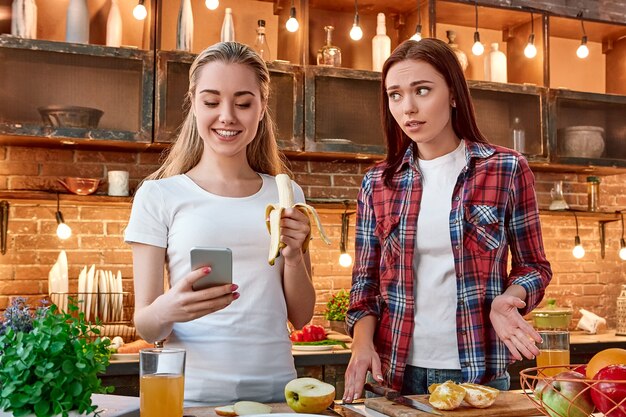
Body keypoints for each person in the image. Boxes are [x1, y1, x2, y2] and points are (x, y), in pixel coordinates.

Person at [342, 38, 552, 401]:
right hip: (394, 373)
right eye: (395, 95)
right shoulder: (378, 182)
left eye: (422, 90)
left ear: (453, 94)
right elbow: (365, 285)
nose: (408, 108)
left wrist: (509, 298)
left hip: (478, 371)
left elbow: (534, 266)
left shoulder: (505, 169)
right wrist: (361, 343)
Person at [124, 41, 315, 405]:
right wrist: (171, 307)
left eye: (243, 103)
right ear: (194, 104)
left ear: (261, 109)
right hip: (192, 398)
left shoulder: (287, 193)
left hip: (276, 397)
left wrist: (293, 256)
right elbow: (147, 325)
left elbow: (301, 316)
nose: (227, 116)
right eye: (211, 102)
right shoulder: (158, 195)